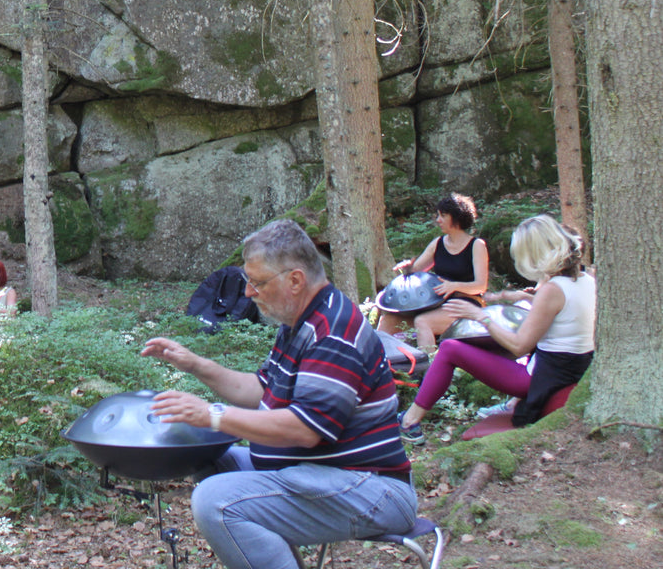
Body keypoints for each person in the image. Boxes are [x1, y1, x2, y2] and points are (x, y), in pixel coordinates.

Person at [143, 219, 415, 569]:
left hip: (370, 488)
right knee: (207, 457)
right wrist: (196, 364)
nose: (247, 293)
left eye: (257, 283)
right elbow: (261, 391)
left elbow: (304, 429)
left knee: (215, 501)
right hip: (318, 473)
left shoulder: (333, 332)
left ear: (295, 280)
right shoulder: (300, 322)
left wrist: (213, 415)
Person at [399, 214, 594, 444]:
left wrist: (479, 316)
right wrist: (524, 298)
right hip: (571, 369)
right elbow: (563, 314)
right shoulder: (586, 279)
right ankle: (509, 403)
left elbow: (519, 346)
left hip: (542, 379)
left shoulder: (552, 290)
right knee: (485, 344)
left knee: (450, 348)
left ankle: (409, 422)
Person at [376, 192, 488, 353]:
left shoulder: (477, 245)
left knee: (423, 321)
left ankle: (428, 365)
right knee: (389, 319)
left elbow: (481, 286)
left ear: (457, 217)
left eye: (443, 215)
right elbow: (416, 270)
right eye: (438, 215)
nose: (438, 220)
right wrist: (407, 268)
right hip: (435, 302)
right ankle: (377, 361)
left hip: (465, 304)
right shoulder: (438, 243)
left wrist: (454, 286)